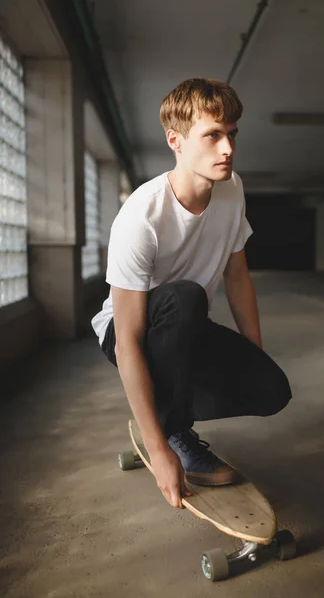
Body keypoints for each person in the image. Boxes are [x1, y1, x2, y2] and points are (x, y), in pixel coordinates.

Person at [91, 78, 292, 510]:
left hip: (186, 327)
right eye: (213, 136)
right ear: (176, 141)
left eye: (232, 134)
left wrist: (252, 353)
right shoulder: (141, 216)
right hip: (129, 332)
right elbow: (127, 339)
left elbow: (237, 275)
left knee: (272, 390)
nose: (228, 149)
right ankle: (172, 429)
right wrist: (157, 447)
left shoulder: (232, 189)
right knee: (185, 297)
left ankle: (164, 406)